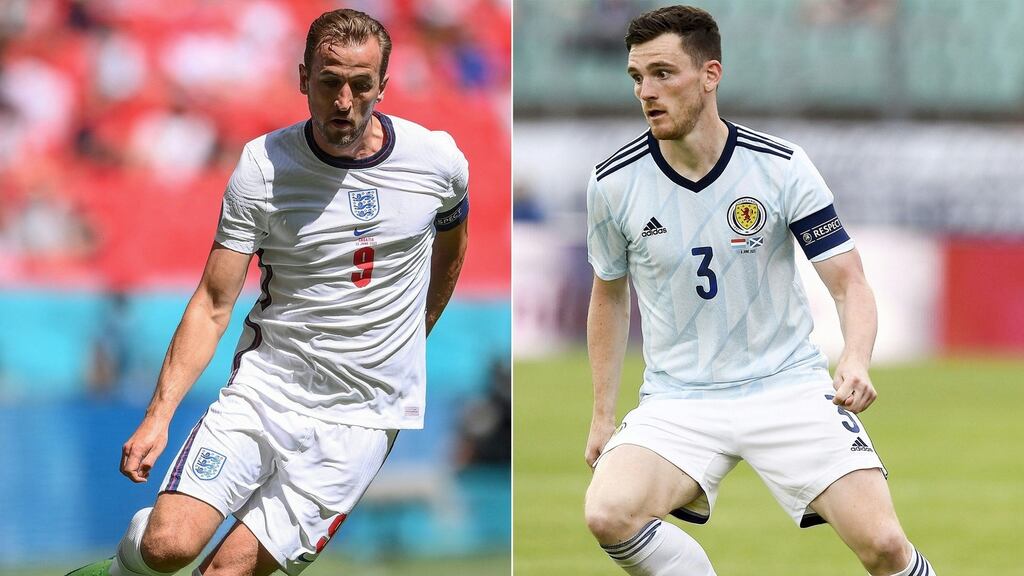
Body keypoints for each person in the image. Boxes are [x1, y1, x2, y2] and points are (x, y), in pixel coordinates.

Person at [68, 8, 469, 576]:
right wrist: (159, 415)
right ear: (303, 77)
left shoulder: (437, 161)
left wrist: (418, 327)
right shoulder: (263, 167)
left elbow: (452, 246)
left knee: (225, 573)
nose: (344, 100)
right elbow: (213, 302)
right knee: (167, 547)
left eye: (360, 84)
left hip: (362, 415)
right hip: (267, 390)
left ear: (384, 84)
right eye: (330, 82)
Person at [583, 6, 935, 576]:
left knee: (884, 545)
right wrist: (602, 415)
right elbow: (608, 296)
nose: (646, 91)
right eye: (636, 77)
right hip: (680, 399)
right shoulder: (613, 183)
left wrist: (855, 359)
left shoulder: (780, 167)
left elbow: (850, 284)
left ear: (710, 75)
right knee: (607, 512)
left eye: (663, 73)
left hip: (787, 387)